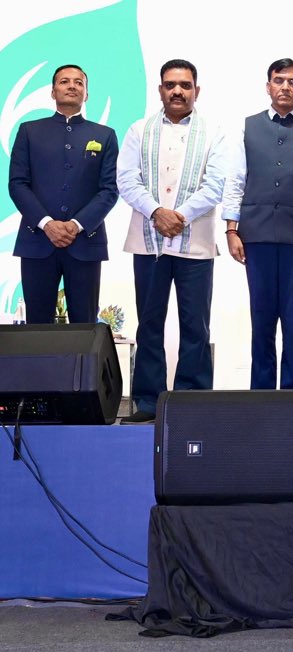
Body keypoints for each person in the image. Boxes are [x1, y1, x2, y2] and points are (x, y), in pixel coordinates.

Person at [116, 59, 229, 424]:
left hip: (195, 242)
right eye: (170, 84)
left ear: (197, 90)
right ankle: (148, 402)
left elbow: (215, 185)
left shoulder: (214, 132)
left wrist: (178, 215)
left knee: (195, 324)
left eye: (185, 84)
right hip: (148, 242)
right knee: (149, 323)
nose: (177, 91)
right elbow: (126, 180)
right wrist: (156, 213)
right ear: (160, 89)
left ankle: (192, 401)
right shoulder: (139, 129)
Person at [222, 58, 293, 390]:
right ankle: (260, 396)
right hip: (256, 235)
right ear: (268, 86)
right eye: (279, 80)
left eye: (292, 82)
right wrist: (231, 229)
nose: (285, 87)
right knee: (261, 320)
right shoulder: (248, 126)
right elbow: (235, 181)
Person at [9, 64, 118, 324]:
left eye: (79, 83)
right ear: (52, 91)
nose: (71, 86)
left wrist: (76, 225)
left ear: (86, 94)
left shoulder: (104, 135)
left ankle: (82, 369)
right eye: (64, 81)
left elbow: (109, 189)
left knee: (85, 326)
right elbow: (17, 184)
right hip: (37, 241)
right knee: (37, 328)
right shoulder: (29, 131)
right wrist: (47, 224)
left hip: (85, 242)